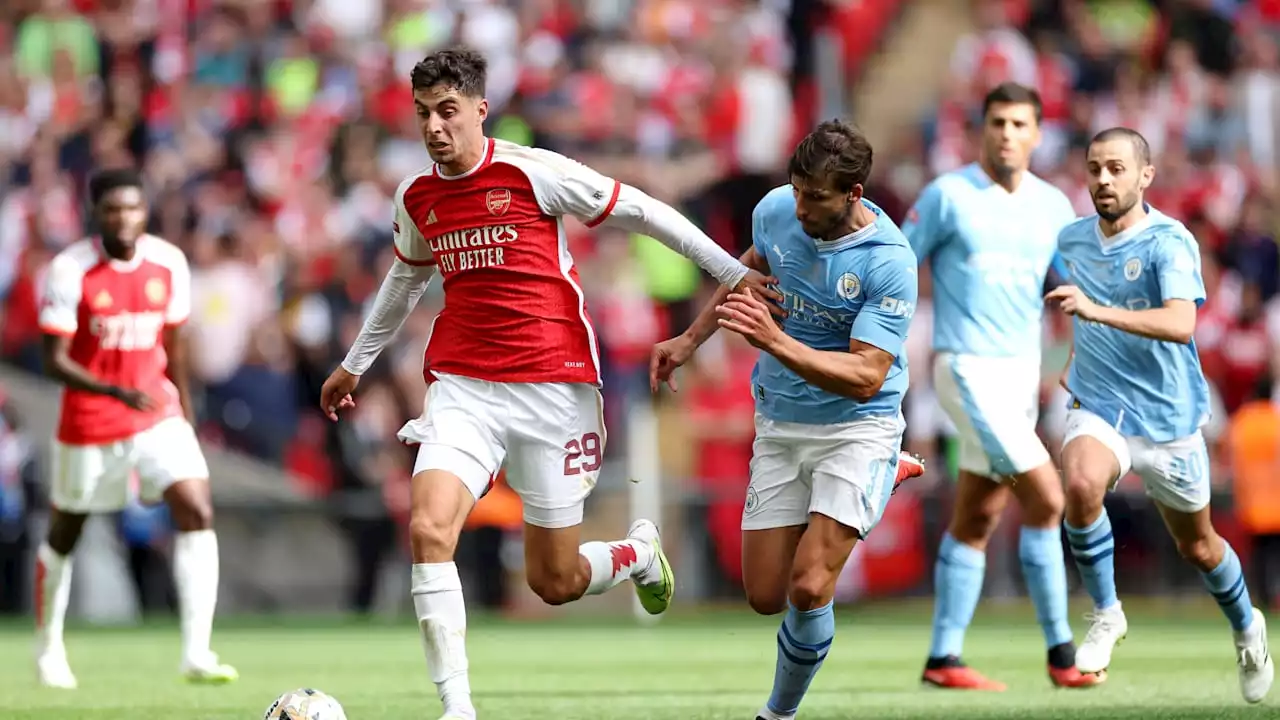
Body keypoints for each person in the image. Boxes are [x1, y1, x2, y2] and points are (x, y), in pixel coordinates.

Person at [317, 48, 778, 720]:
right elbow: (407, 277)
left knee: (554, 580)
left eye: (448, 111)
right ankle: (457, 709)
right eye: (422, 115)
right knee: (428, 530)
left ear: (480, 109)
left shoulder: (534, 173)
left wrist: (731, 273)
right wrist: (355, 361)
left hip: (553, 389)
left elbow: (646, 211)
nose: (435, 128)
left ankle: (636, 553)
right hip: (464, 386)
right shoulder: (416, 196)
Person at [649, 119, 924, 720]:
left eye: (816, 197)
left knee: (808, 586)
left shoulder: (888, 261)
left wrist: (775, 342)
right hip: (780, 425)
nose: (800, 207)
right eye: (797, 190)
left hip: (859, 427)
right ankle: (883, 480)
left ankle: (777, 714)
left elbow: (866, 377)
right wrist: (691, 339)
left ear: (853, 194)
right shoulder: (777, 208)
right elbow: (750, 268)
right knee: (765, 595)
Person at [1049, 127, 1274, 704]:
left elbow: (1181, 323)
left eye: (1117, 168)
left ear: (1144, 176)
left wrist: (1094, 311)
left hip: (1169, 420)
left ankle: (1248, 628)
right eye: (1095, 167)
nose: (1103, 179)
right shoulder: (1070, 240)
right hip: (1099, 405)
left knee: (1199, 546)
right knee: (1077, 482)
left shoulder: (1169, 242)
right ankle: (1106, 613)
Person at [902, 82, 1097, 690]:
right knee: (1048, 498)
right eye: (997, 123)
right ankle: (1064, 652)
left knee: (979, 513)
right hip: (964, 367)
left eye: (1019, 125)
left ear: (1037, 135)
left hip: (1019, 376)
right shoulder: (948, 195)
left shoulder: (1053, 207)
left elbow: (1073, 289)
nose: (1007, 134)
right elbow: (897, 266)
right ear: (980, 130)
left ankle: (943, 658)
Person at [34, 168, 236, 688]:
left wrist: (187, 414)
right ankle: (49, 647)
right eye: (113, 209)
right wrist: (112, 391)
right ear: (95, 212)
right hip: (92, 419)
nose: (124, 219)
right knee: (66, 531)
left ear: (145, 211)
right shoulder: (69, 270)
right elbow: (54, 359)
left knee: (196, 506)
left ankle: (197, 652)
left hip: (156, 412)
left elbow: (174, 347)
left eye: (133, 208)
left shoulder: (169, 262)